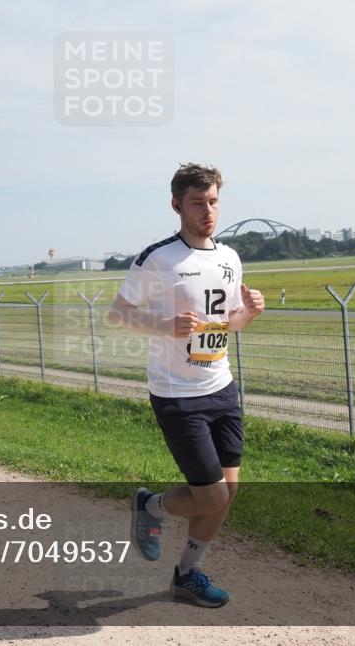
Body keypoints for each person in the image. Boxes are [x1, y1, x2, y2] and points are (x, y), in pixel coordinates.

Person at [109, 163, 265, 608]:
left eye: (213, 201)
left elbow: (227, 323)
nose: (207, 211)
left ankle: (187, 575)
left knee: (227, 494)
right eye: (197, 202)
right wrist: (163, 324)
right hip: (177, 394)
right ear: (177, 204)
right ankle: (151, 507)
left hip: (222, 387)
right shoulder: (159, 258)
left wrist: (250, 312)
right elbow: (118, 313)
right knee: (211, 494)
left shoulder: (229, 258)